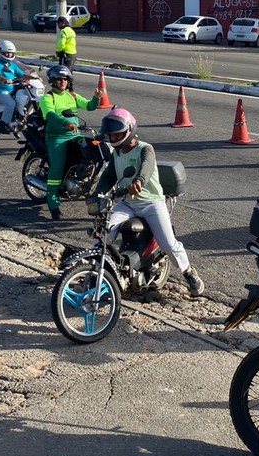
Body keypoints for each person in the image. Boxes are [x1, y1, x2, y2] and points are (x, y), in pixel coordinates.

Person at [95, 108, 205, 297]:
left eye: (117, 135)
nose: (113, 139)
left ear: (129, 131)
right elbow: (108, 176)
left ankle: (188, 272)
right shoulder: (116, 153)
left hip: (151, 203)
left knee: (168, 244)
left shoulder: (145, 148)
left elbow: (146, 167)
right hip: (128, 204)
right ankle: (97, 273)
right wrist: (96, 194)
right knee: (103, 232)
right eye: (111, 136)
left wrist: (138, 181)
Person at [39, 65, 103, 221]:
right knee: (57, 168)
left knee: (93, 151)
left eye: (65, 79)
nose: (63, 82)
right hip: (57, 137)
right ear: (53, 81)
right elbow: (51, 115)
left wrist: (96, 98)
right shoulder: (48, 98)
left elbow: (89, 106)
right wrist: (65, 123)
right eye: (59, 79)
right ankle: (53, 204)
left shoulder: (72, 96)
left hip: (75, 134)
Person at [0, 40, 37, 131]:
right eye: (7, 53)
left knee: (25, 98)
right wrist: (5, 79)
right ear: (1, 52)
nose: (9, 55)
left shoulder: (11, 65)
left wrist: (34, 78)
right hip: (0, 91)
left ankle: (20, 118)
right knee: (11, 103)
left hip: (13, 89)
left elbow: (22, 75)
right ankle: (4, 124)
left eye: (11, 53)